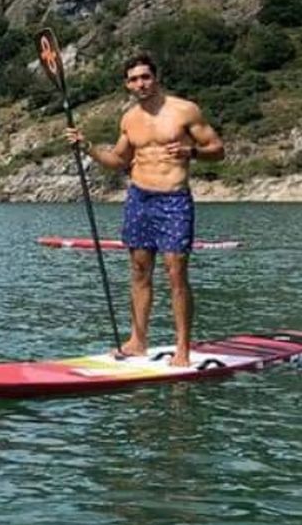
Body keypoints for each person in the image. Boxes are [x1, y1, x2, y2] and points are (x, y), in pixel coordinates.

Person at [66, 53, 224, 366]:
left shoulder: (184, 110)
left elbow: (218, 150)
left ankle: (183, 349)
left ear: (156, 77)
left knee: (176, 273)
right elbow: (119, 161)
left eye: (145, 77)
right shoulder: (129, 119)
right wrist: (88, 147)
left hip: (174, 200)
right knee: (139, 271)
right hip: (139, 198)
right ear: (127, 84)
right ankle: (138, 341)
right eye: (134, 79)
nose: (141, 83)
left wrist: (191, 151)